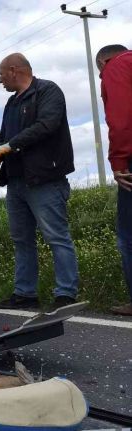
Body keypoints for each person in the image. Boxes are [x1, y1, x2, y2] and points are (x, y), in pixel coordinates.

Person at [0, 53, 79, 310]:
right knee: (21, 240)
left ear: (14, 70)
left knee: (56, 237)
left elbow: (46, 126)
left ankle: (65, 294)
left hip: (46, 180)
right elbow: (3, 137)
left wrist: (5, 149)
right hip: (16, 182)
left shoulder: (48, 91)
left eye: (1, 74)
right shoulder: (10, 103)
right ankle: (26, 293)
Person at [96, 44, 132, 316]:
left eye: (99, 71)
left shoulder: (117, 65)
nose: (100, 78)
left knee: (128, 235)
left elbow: (120, 119)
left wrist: (118, 163)